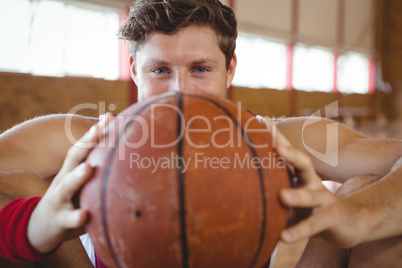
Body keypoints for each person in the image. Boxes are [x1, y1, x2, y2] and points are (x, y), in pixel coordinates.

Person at [0, 0, 401, 266]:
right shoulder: (82, 139)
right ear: (134, 70)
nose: (180, 91)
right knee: (22, 188)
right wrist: (35, 222)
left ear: (230, 70)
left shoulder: (281, 140)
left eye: (200, 69)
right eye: (160, 71)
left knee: (371, 198)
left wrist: (357, 214)